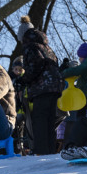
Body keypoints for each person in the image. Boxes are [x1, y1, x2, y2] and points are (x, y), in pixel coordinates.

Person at [17, 21, 62, 155]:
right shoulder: (46, 47)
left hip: (42, 88)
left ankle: (42, 151)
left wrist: (23, 80)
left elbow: (35, 65)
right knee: (50, 121)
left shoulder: (30, 47)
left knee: (40, 120)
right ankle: (50, 150)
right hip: (55, 87)